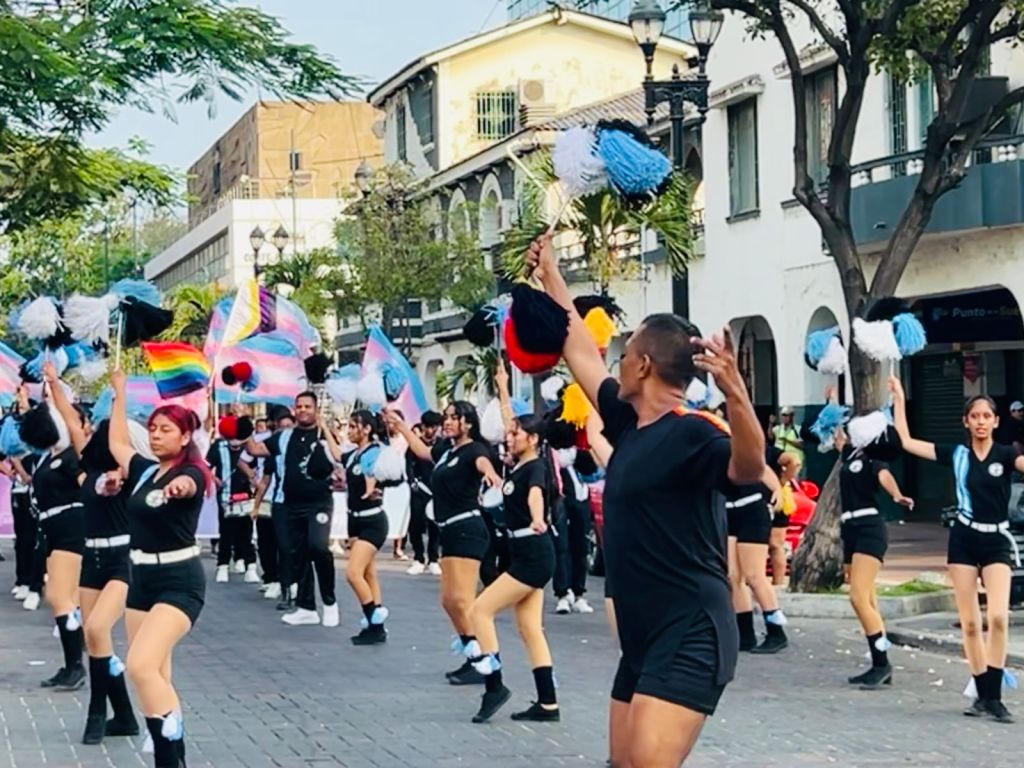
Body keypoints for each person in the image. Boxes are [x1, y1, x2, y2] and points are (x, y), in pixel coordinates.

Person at [526, 234, 765, 767]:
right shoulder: (628, 421)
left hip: (691, 630)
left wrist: (736, 393)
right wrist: (551, 274)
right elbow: (578, 348)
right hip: (643, 637)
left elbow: (749, 469)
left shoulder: (694, 431)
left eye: (627, 351)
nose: (617, 359)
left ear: (644, 365)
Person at [891, 377, 1019, 723]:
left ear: (996, 421)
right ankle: (981, 694)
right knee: (971, 624)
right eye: (975, 416)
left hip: (996, 540)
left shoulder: (1007, 454)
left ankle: (994, 696)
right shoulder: (958, 455)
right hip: (963, 539)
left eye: (986, 416)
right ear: (966, 421)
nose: (981, 422)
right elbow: (906, 442)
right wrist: (900, 399)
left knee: (998, 619)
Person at [107, 369, 212, 767]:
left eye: (165, 430)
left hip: (179, 581)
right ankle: (172, 751)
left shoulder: (190, 473)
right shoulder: (146, 471)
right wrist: (120, 393)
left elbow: (190, 486)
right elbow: (117, 443)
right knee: (157, 675)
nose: (155, 436)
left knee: (140, 666)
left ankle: (169, 756)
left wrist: (179, 489)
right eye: (152, 429)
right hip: (141, 580)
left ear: (184, 437)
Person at [46, 363, 140, 744]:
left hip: (121, 562)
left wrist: (120, 392)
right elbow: (70, 420)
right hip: (92, 563)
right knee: (97, 640)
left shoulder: (127, 475)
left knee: (99, 629)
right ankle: (126, 717)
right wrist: (53, 383)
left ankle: (97, 712)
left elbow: (120, 438)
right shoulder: (85, 473)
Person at [386, 402, 502, 686]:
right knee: (449, 601)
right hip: (449, 530)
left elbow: (483, 462)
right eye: (446, 417)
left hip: (467, 529)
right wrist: (401, 426)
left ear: (468, 423)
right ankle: (473, 653)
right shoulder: (447, 451)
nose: (447, 422)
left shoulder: (475, 449)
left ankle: (488, 659)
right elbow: (422, 451)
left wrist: (490, 473)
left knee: (464, 600)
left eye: (454, 417)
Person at [468, 413, 560, 724]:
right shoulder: (519, 466)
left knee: (480, 611)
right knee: (529, 628)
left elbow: (536, 494)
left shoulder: (536, 468)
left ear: (533, 439)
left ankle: (494, 686)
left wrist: (537, 518)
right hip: (523, 552)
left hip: (533, 554)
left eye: (516, 433)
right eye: (509, 432)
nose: (509, 437)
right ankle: (548, 703)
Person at [828, 419, 913, 689]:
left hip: (869, 527)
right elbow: (837, 437)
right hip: (849, 528)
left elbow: (884, 475)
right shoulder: (849, 453)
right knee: (868, 597)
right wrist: (833, 407)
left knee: (858, 598)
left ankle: (882, 663)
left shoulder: (874, 458)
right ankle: (878, 662)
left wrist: (897, 495)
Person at [245, 392, 338, 627]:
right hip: (289, 504)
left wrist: (327, 432)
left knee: (318, 548)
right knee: (296, 553)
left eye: (308, 406)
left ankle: (329, 602)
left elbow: (340, 458)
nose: (303, 410)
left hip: (318, 503)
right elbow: (255, 450)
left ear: (316, 409)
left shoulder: (325, 435)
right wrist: (242, 425)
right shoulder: (284, 437)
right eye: (299, 406)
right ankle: (307, 608)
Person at [22, 383, 88, 692]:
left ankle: (77, 665)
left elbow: (88, 485)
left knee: (61, 597)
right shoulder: (51, 457)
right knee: (60, 597)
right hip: (53, 530)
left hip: (71, 529)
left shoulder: (73, 457)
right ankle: (72, 661)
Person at [726, 437, 791, 655]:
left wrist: (778, 488)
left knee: (754, 575)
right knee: (732, 575)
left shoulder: (734, 443)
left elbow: (760, 466)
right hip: (728, 510)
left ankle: (776, 631)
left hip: (752, 509)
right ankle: (745, 634)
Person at [333, 410, 391, 644]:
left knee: (353, 573)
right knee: (368, 573)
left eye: (354, 426)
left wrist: (374, 489)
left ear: (367, 429)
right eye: (348, 426)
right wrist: (324, 428)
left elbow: (382, 474)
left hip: (372, 520)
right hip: (354, 520)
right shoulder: (353, 454)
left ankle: (373, 618)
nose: (349, 431)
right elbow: (338, 455)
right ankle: (376, 627)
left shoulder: (376, 452)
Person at [208, 427, 258, 584]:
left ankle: (249, 565)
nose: (235, 442)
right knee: (226, 531)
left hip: (246, 497)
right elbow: (205, 466)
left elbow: (256, 467)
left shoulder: (249, 448)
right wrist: (215, 480)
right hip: (226, 497)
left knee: (247, 532)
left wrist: (253, 480)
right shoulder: (218, 447)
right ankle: (223, 566)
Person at [551, 446, 594, 615]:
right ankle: (563, 594)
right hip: (563, 499)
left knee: (582, 547)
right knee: (562, 547)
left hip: (581, 498)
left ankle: (578, 593)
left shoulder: (581, 453)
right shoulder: (553, 450)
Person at [406, 411, 443, 576]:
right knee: (415, 524)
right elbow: (408, 466)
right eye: (429, 427)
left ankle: (433, 559)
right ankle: (418, 557)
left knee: (435, 525)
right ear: (422, 427)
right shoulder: (415, 445)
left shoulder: (441, 445)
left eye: (435, 427)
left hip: (436, 490)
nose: (432, 430)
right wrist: (412, 482)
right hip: (419, 489)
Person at [768, 448, 802, 586]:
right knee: (774, 545)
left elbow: (794, 460)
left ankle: (778, 582)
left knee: (776, 544)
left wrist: (783, 479)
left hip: (777, 498)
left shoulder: (769, 452)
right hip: (767, 497)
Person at [8, 452, 38, 603]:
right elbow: (10, 456)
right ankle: (22, 580)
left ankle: (35, 582)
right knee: (22, 538)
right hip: (20, 491)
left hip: (38, 492)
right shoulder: (16, 443)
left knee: (35, 539)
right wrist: (19, 472)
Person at [772, 407, 805, 475]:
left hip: (794, 463)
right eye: (783, 415)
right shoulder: (779, 428)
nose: (784, 418)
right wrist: (770, 423)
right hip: (782, 463)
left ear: (791, 416)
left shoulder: (798, 429)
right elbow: (770, 436)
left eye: (786, 415)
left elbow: (801, 445)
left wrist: (786, 440)